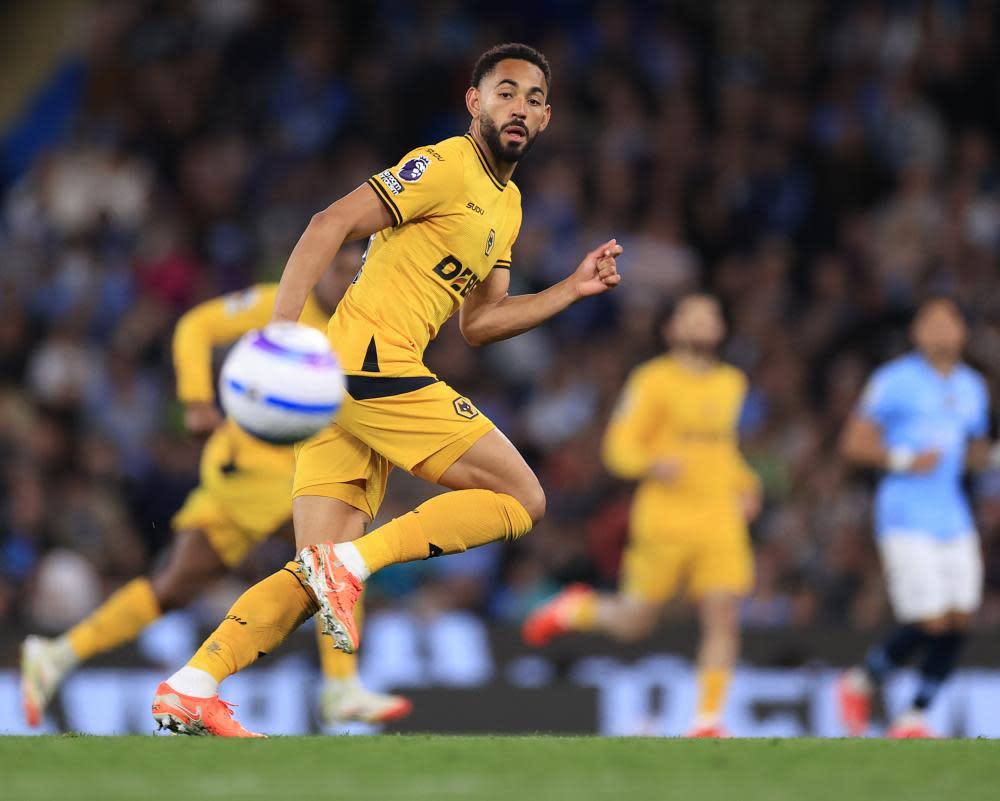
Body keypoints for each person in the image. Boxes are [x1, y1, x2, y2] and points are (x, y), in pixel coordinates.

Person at [151, 42, 623, 737]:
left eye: (532, 98)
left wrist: (570, 290)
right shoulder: (445, 164)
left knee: (311, 576)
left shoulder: (509, 205)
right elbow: (329, 223)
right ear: (475, 102)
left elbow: (481, 322)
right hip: (368, 362)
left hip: (349, 387)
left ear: (547, 118)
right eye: (504, 92)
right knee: (523, 497)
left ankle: (192, 684)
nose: (518, 107)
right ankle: (354, 562)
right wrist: (281, 333)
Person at [21, 249, 411, 730]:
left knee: (174, 587)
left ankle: (56, 653)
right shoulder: (281, 305)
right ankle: (341, 685)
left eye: (357, 273)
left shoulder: (364, 324)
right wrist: (196, 400)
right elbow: (195, 326)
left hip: (283, 471)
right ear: (320, 269)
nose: (347, 281)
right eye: (340, 270)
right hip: (252, 467)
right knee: (333, 552)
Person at [522, 294, 761, 737]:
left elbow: (723, 448)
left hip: (719, 517)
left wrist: (745, 484)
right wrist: (652, 464)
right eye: (691, 315)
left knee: (723, 613)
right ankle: (576, 608)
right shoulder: (652, 380)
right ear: (671, 329)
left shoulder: (732, 382)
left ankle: (708, 720)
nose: (702, 323)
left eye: (709, 315)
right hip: (665, 518)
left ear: (721, 329)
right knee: (635, 621)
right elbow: (619, 446)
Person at [837, 296, 994, 738]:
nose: (941, 330)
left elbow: (974, 453)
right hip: (905, 513)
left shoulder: (972, 387)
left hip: (954, 515)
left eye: (949, 321)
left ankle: (914, 715)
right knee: (931, 619)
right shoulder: (893, 381)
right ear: (916, 332)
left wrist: (992, 458)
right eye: (931, 321)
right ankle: (861, 681)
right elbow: (853, 444)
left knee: (960, 616)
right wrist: (905, 460)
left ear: (963, 331)